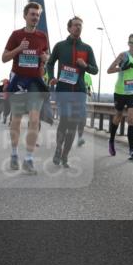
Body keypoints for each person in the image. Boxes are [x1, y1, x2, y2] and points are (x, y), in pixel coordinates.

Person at [2, 2, 51, 174]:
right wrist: (19, 48)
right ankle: (14, 155)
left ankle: (28, 159)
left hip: (35, 83)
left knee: (35, 119)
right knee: (16, 120)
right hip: (19, 82)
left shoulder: (42, 36)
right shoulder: (16, 35)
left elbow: (46, 56)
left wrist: (46, 57)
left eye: (38, 15)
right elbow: (4, 57)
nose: (35, 17)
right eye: (32, 14)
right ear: (25, 16)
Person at [45, 16, 98, 168]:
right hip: (63, 90)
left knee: (73, 124)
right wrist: (52, 77)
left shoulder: (87, 48)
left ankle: (65, 156)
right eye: (75, 25)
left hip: (79, 91)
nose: (78, 28)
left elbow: (95, 70)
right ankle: (58, 148)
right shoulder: (60, 46)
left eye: (80, 25)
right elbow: (49, 64)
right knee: (64, 120)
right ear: (69, 28)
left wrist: (85, 65)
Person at [107, 33, 133, 160]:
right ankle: (111, 140)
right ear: (128, 43)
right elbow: (109, 70)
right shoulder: (123, 55)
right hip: (120, 91)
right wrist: (122, 68)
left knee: (131, 119)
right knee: (118, 116)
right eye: (132, 43)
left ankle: (131, 149)